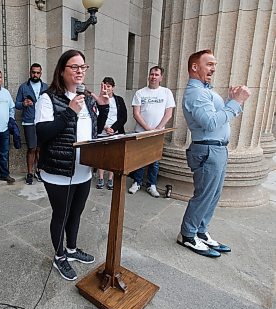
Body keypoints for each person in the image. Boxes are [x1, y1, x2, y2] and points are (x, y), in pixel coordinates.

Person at [35, 49, 109, 281]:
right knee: (61, 214)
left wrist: (104, 107)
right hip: (59, 171)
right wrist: (69, 112)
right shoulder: (47, 98)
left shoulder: (86, 97)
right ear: (62, 70)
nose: (80, 71)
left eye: (83, 67)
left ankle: (72, 250)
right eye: (74, 67)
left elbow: (94, 129)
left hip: (83, 169)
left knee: (76, 213)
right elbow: (42, 133)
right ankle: (59, 256)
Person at [177, 49, 250, 257]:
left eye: (214, 65)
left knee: (214, 194)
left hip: (216, 149)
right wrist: (236, 103)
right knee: (205, 195)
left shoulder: (205, 91)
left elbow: (216, 117)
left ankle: (200, 230)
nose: (213, 68)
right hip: (208, 149)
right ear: (194, 67)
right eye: (209, 64)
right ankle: (188, 235)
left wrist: (230, 101)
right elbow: (209, 123)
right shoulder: (195, 92)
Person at [128, 66, 175, 197]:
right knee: (140, 158)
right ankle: (137, 182)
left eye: (156, 74)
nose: (153, 77)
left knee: (154, 160)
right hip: (142, 132)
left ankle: (151, 185)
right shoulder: (140, 93)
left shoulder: (166, 92)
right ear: (148, 76)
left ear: (161, 77)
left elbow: (169, 113)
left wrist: (158, 128)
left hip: (158, 133)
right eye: (151, 74)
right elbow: (136, 113)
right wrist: (148, 129)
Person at [15, 63, 48, 185]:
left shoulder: (46, 87)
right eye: (33, 72)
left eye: (38, 73)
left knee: (40, 148)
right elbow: (16, 104)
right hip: (29, 121)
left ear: (41, 73)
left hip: (42, 121)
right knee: (31, 148)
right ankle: (29, 173)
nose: (35, 75)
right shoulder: (23, 87)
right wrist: (23, 104)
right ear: (30, 72)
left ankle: (38, 171)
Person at [95, 77, 127, 190]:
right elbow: (96, 116)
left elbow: (123, 117)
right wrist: (105, 127)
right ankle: (101, 178)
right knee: (101, 156)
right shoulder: (98, 100)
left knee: (113, 156)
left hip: (115, 132)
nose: (107, 88)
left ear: (113, 87)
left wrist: (113, 128)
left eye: (109, 86)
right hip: (102, 131)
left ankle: (110, 178)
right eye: (104, 86)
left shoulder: (119, 100)